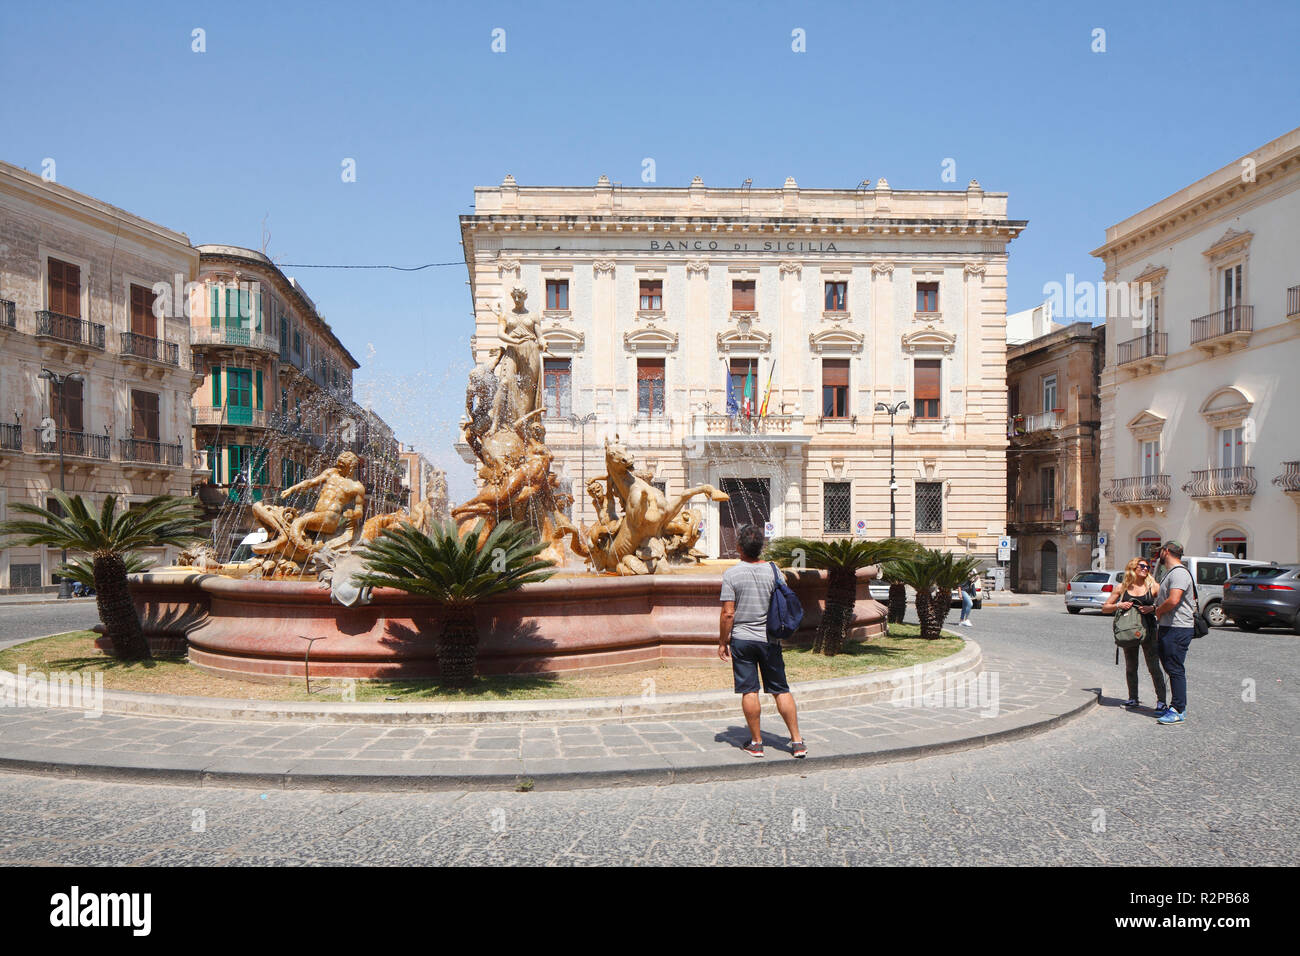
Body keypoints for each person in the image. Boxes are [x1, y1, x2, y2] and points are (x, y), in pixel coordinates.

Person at [718, 524, 806, 758]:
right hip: (770, 640)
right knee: (780, 689)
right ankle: (797, 742)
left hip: (743, 640)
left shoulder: (731, 574)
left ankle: (756, 743)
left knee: (750, 690)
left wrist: (722, 642)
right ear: (761, 547)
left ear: (738, 548)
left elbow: (728, 613)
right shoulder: (774, 570)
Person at [1102, 556, 1168, 714]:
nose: (1146, 569)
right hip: (1129, 631)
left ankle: (1162, 701)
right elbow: (1105, 607)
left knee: (1154, 667)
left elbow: (1165, 602)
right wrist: (1119, 604)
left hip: (1149, 631)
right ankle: (1133, 698)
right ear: (1133, 568)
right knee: (1131, 666)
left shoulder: (1153, 586)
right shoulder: (1122, 588)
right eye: (1142, 566)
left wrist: (1152, 608)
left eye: (1147, 567)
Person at [1145, 540, 1195, 725]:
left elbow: (1174, 600)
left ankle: (1178, 709)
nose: (1159, 555)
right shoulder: (1171, 573)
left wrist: (1158, 611)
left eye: (1161, 552)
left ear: (1166, 551)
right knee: (1170, 666)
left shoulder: (1180, 573)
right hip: (1170, 626)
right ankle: (1175, 706)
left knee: (1175, 668)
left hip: (1178, 627)